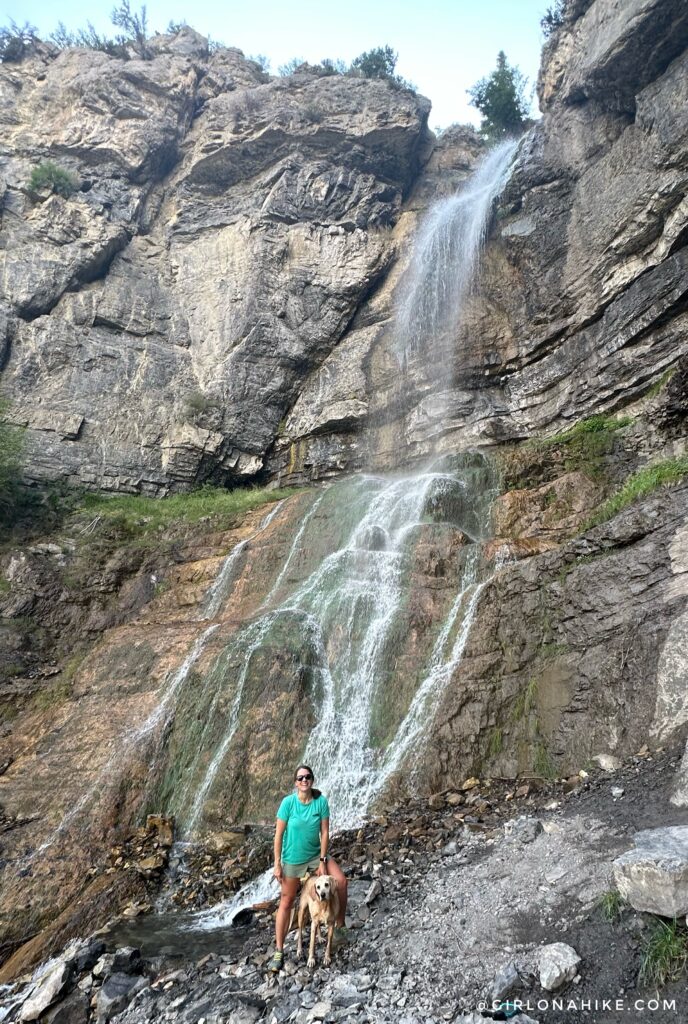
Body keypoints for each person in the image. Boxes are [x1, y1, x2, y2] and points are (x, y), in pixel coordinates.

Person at [269, 764, 348, 972]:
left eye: (308, 777)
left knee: (340, 881)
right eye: (300, 778)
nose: (304, 780)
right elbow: (278, 836)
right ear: (295, 782)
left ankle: (339, 928)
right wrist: (277, 864)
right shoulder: (288, 803)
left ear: (312, 780)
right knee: (286, 902)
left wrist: (322, 861)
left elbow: (324, 832)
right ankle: (279, 950)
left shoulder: (320, 802)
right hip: (292, 859)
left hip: (315, 856)